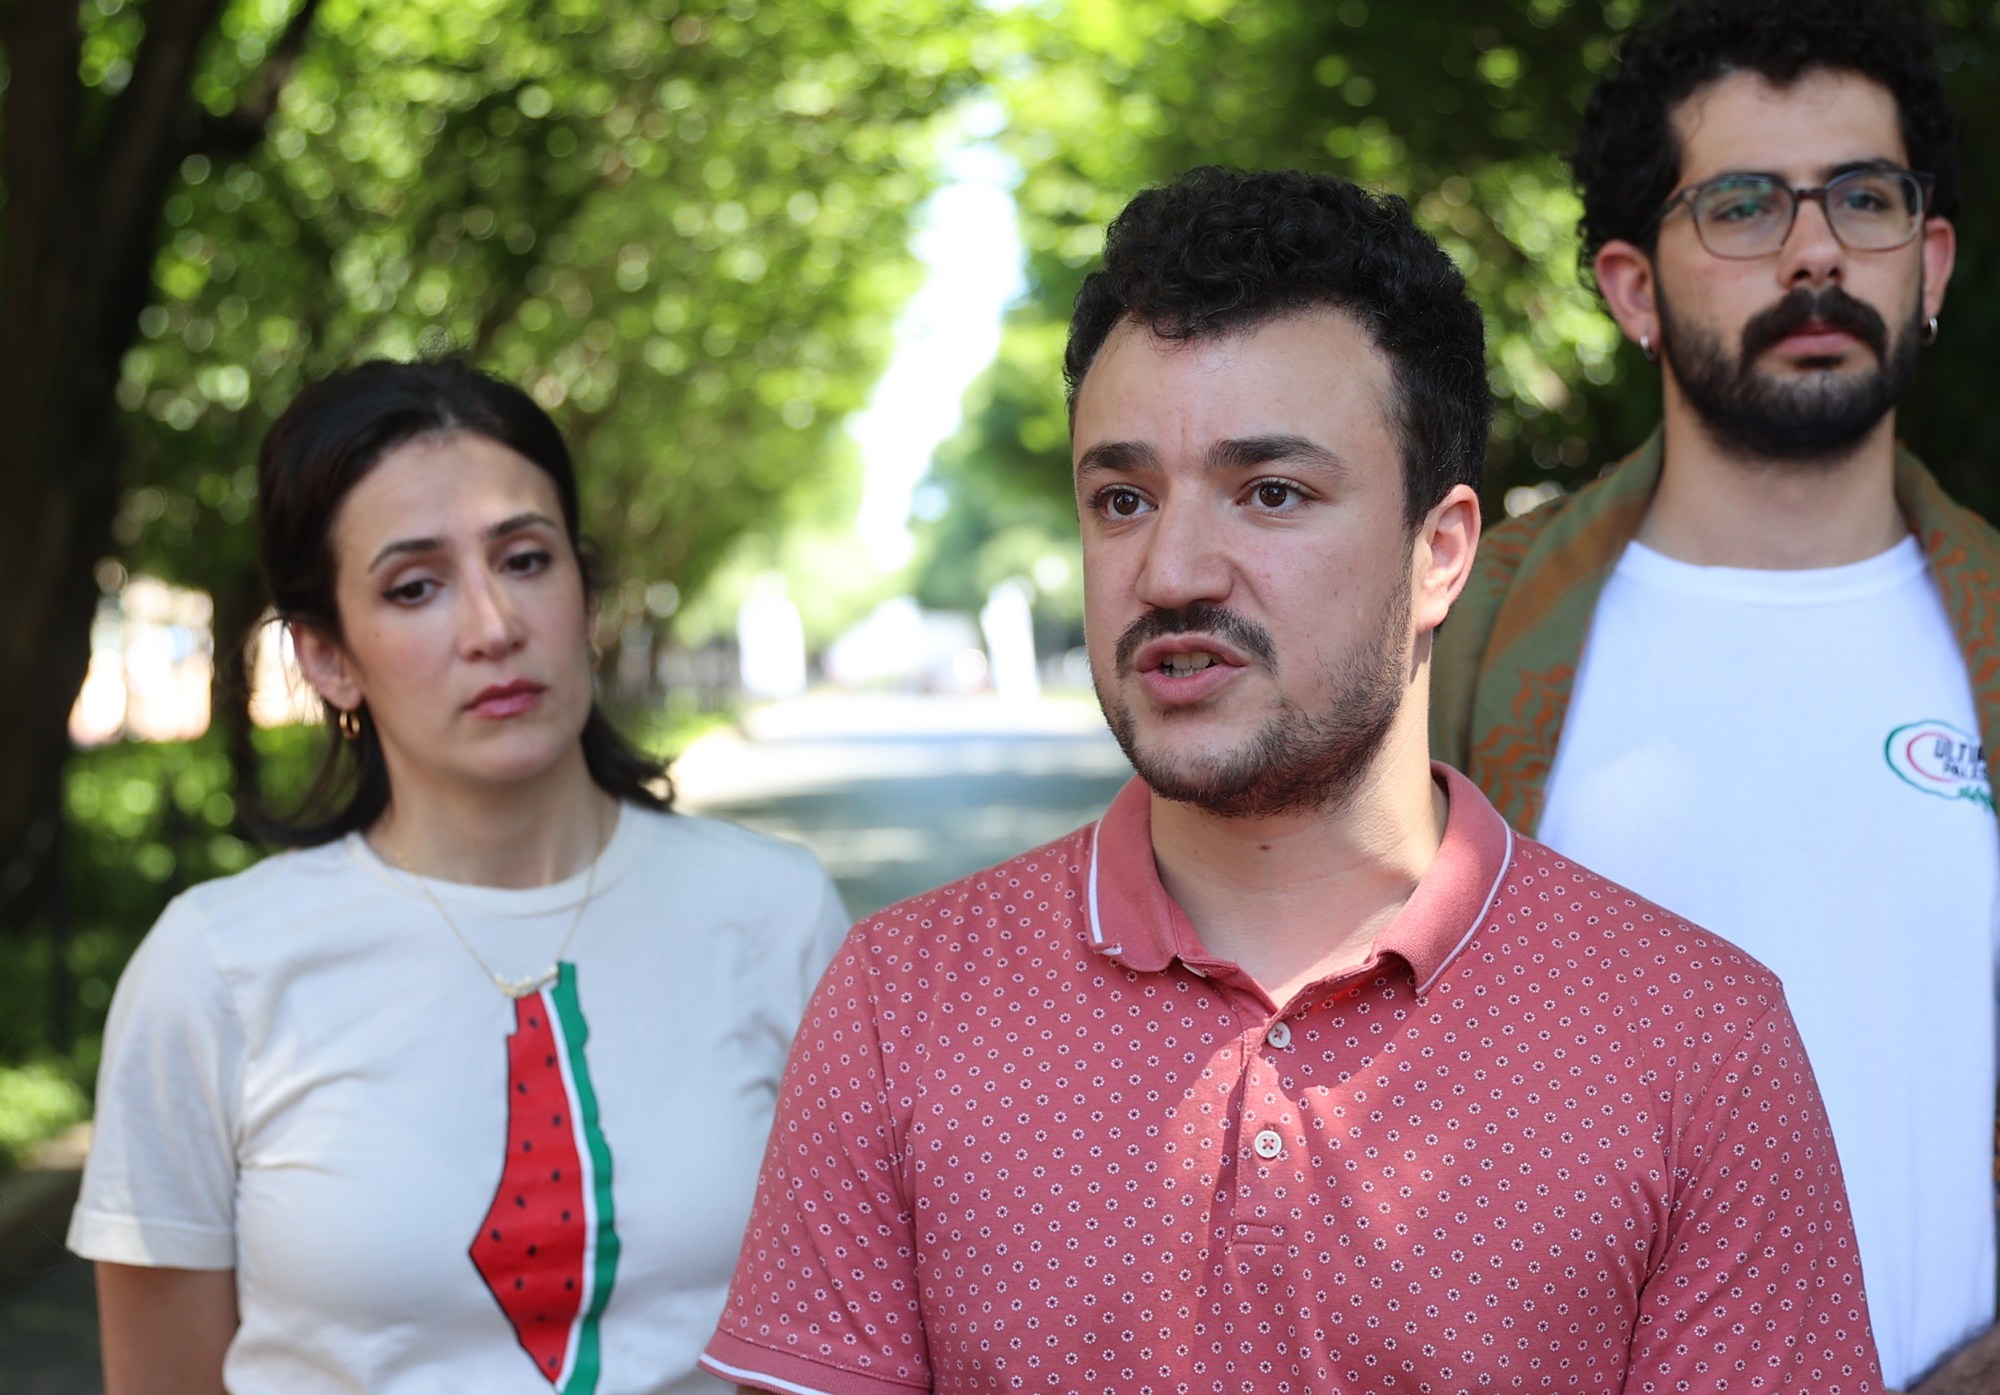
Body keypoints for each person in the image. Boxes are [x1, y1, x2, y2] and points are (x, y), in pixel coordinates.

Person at [700, 167, 1881, 1394]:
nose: (1169, 570)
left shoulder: (1698, 1043)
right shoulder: (898, 1008)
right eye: (1121, 498)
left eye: (1270, 492)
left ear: (1438, 555)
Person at [68, 359, 849, 1394]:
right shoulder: (213, 970)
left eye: (525, 560)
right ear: (327, 657)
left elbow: (852, 1342)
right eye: (415, 587)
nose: (492, 625)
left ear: (583, 592)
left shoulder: (774, 916)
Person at [1429, 2, 1998, 1388]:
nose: (1814, 249)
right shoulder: (1460, 636)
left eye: (1864, 199)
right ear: (1633, 290)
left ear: (1930, 265)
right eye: (1743, 205)